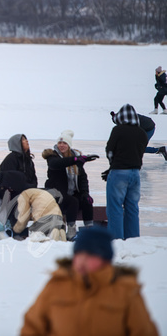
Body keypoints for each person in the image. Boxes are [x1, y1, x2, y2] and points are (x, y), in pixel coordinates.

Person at [21, 226, 158, 336]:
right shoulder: (57, 285)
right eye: (78, 254)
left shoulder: (125, 290)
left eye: (90, 256)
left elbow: (144, 331)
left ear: (105, 260)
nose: (81, 261)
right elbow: (32, 326)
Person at [42, 130, 97, 239]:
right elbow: (56, 164)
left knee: (86, 201)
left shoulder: (76, 158)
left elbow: (82, 178)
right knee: (73, 201)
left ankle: (89, 230)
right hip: (56, 194)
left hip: (71, 193)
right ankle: (71, 231)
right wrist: (75, 160)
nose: (61, 145)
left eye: (64, 143)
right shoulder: (52, 156)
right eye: (60, 143)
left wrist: (85, 193)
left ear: (69, 145)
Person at [105, 104, 148, 240]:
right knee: (132, 207)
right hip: (135, 173)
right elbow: (140, 152)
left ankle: (116, 240)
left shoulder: (118, 130)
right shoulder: (142, 133)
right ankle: (133, 239)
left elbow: (110, 150)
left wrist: (113, 165)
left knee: (115, 207)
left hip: (119, 172)